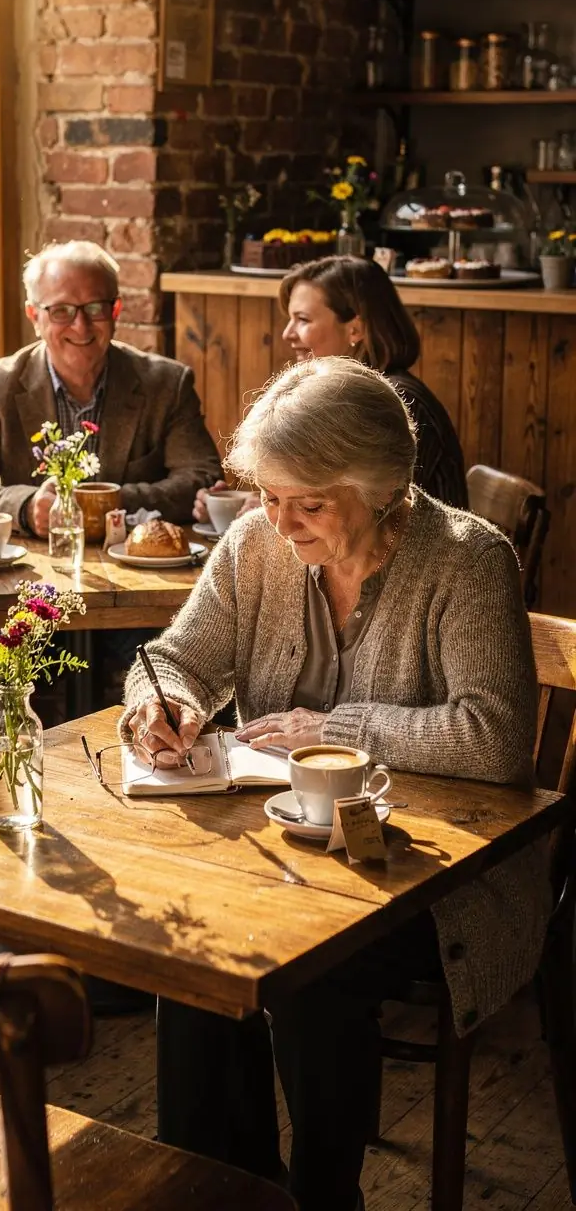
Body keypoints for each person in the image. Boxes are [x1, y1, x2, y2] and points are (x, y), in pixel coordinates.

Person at [123, 357, 546, 1211]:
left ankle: (323, 1197)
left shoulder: (468, 561)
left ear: (381, 486)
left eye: (307, 504)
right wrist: (157, 707)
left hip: (437, 875)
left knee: (312, 969)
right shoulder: (254, 542)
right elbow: (175, 658)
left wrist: (336, 727)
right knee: (193, 947)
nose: (279, 524)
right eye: (270, 497)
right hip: (291, 857)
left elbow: (496, 739)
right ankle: (222, 1186)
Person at [0, 240, 223, 533]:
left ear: (116, 310)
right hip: (32, 566)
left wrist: (104, 502)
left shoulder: (167, 384)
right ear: (34, 316)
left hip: (142, 562)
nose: (81, 326)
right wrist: (26, 507)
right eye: (61, 311)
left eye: (95, 308)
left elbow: (202, 477)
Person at [194, 255, 467, 525]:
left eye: (302, 319)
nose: (287, 333)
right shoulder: (340, 402)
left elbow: (377, 518)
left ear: (355, 329)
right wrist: (245, 506)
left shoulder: (395, 403)